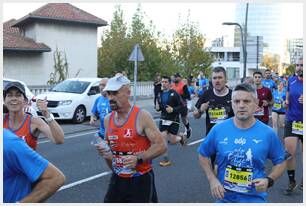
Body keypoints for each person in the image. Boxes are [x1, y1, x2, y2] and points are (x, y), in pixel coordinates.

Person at [198, 83, 286, 203]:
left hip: (254, 199)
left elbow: (280, 162)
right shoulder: (219, 129)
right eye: (237, 101)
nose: (241, 106)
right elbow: (203, 154)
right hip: (225, 200)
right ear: (232, 104)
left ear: (256, 103)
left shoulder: (268, 133)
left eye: (246, 101)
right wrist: (212, 179)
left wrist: (269, 180)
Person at [97, 74, 167, 203]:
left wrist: (139, 159)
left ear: (128, 92)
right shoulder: (108, 120)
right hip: (117, 179)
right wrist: (105, 152)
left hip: (140, 179)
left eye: (115, 93)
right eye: (108, 94)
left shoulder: (141, 116)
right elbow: (110, 155)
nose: (110, 98)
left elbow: (161, 145)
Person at [3, 128, 65, 203]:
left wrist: (48, 117)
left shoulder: (9, 143)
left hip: (30, 164)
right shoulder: (6, 123)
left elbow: (59, 140)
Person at [3, 81, 64, 150]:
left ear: (26, 101)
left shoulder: (35, 122)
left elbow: (59, 140)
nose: (14, 98)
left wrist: (47, 114)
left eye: (18, 95)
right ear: (4, 101)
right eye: (10, 95)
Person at [193, 66, 234, 168]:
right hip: (212, 137)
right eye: (214, 78)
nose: (217, 81)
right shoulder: (207, 94)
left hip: (230, 138)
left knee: (225, 168)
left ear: (226, 79)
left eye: (220, 78)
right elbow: (195, 115)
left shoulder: (233, 95)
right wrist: (200, 110)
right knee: (212, 166)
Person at [156, 76, 187, 167]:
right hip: (164, 118)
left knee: (173, 141)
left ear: (170, 84)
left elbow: (182, 106)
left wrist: (173, 109)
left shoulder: (175, 93)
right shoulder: (159, 94)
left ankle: (181, 137)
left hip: (174, 119)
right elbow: (160, 106)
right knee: (163, 138)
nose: (163, 84)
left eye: (165, 82)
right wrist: (158, 108)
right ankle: (166, 159)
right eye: (162, 82)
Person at [283, 56, 303, 195]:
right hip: (292, 120)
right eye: (297, 65)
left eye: (302, 65)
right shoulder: (291, 80)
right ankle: (292, 181)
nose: (299, 68)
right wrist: (286, 101)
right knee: (289, 154)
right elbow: (288, 94)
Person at [171, 72, 192, 139]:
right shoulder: (172, 85)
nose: (174, 78)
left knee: (184, 119)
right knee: (173, 119)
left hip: (183, 105)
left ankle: (188, 129)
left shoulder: (183, 86)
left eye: (176, 77)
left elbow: (188, 97)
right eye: (174, 77)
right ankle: (172, 135)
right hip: (174, 105)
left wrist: (189, 105)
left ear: (179, 78)